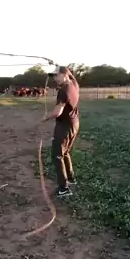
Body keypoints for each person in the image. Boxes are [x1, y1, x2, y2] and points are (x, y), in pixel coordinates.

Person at [42, 66, 80, 197]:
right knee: (65, 152)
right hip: (74, 124)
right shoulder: (74, 85)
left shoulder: (63, 91)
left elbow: (57, 112)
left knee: (57, 155)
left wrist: (46, 117)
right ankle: (70, 178)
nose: (55, 78)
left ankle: (64, 188)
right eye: (54, 76)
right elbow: (73, 77)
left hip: (64, 126)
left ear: (64, 74)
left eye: (57, 75)